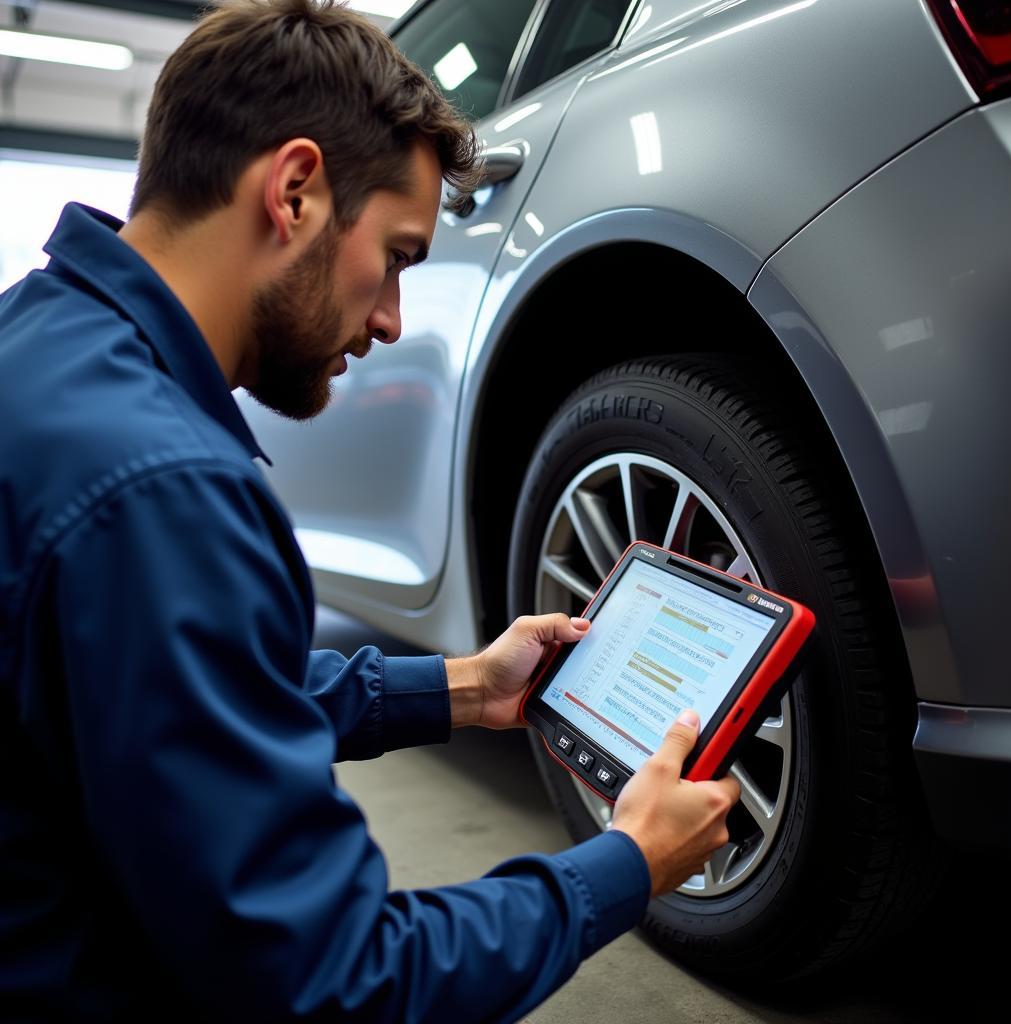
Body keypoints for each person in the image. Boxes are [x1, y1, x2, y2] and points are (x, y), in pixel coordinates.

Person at [0, 1, 740, 1020]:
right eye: (395, 256)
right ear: (295, 190)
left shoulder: (39, 345)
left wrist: (461, 688)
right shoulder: (161, 488)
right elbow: (337, 981)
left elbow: (178, 696)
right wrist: (626, 863)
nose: (391, 319)